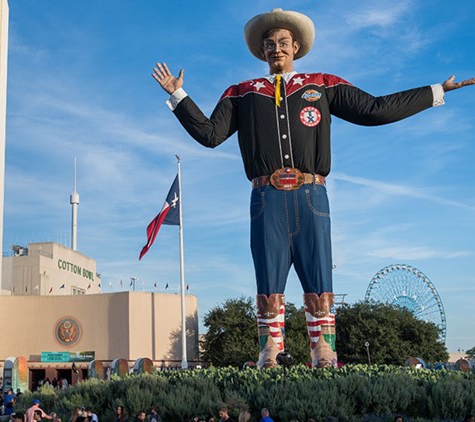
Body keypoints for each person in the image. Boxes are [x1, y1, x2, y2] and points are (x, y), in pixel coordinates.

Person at [152, 8, 475, 369]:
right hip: (265, 196)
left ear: (297, 47)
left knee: (319, 273)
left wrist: (436, 91)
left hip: (312, 194)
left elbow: (374, 109)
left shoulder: (321, 84)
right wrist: (179, 95)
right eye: (270, 44)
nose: (277, 49)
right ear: (262, 51)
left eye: (284, 43)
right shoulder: (242, 92)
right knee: (268, 275)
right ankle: (269, 348)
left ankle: (323, 347)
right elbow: (210, 135)